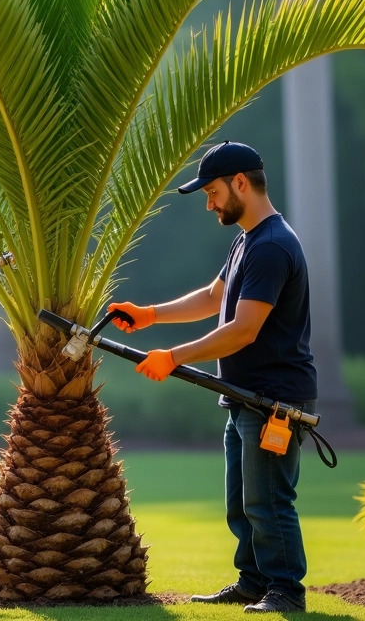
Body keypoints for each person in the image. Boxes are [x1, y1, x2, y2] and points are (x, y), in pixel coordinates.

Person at [109, 140, 317, 615]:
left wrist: (174, 357)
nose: (209, 203)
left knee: (268, 502)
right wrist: (148, 315)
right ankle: (254, 581)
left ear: (240, 183)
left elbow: (243, 331)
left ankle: (286, 591)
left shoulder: (272, 246)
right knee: (242, 503)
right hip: (245, 396)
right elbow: (212, 297)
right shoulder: (248, 240)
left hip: (274, 401)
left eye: (213, 192)